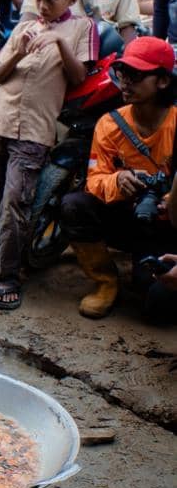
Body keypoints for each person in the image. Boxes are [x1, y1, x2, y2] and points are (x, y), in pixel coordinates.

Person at [0, 0, 98, 310]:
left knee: (16, 202)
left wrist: (59, 42)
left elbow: (77, 78)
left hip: (36, 128)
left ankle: (8, 276)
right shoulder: (24, 26)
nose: (42, 6)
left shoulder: (82, 28)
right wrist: (19, 52)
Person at [60, 37, 177, 322]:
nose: (125, 82)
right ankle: (105, 282)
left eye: (135, 75)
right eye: (123, 74)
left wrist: (168, 200)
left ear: (162, 81)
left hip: (169, 227)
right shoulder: (110, 124)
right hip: (127, 217)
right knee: (74, 205)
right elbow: (94, 179)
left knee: (155, 308)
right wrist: (119, 180)